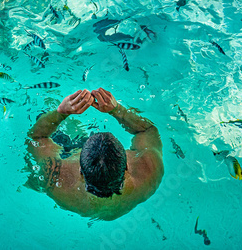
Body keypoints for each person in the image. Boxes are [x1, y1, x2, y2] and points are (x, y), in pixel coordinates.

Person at [24, 88, 163, 221]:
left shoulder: (57, 183)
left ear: (80, 171)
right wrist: (117, 110)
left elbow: (36, 137)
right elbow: (149, 131)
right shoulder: (150, 172)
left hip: (69, 159)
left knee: (44, 111)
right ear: (126, 166)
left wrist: (61, 112)